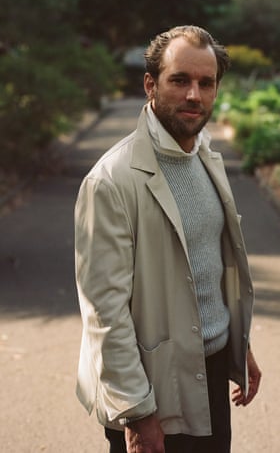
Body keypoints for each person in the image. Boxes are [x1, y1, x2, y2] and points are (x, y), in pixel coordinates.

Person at [74, 25, 261, 453]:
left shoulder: (205, 157)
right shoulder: (111, 180)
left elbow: (213, 266)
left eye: (205, 83)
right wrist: (137, 412)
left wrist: (239, 345)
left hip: (210, 375)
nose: (194, 95)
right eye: (179, 80)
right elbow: (104, 313)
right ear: (150, 84)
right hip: (152, 391)